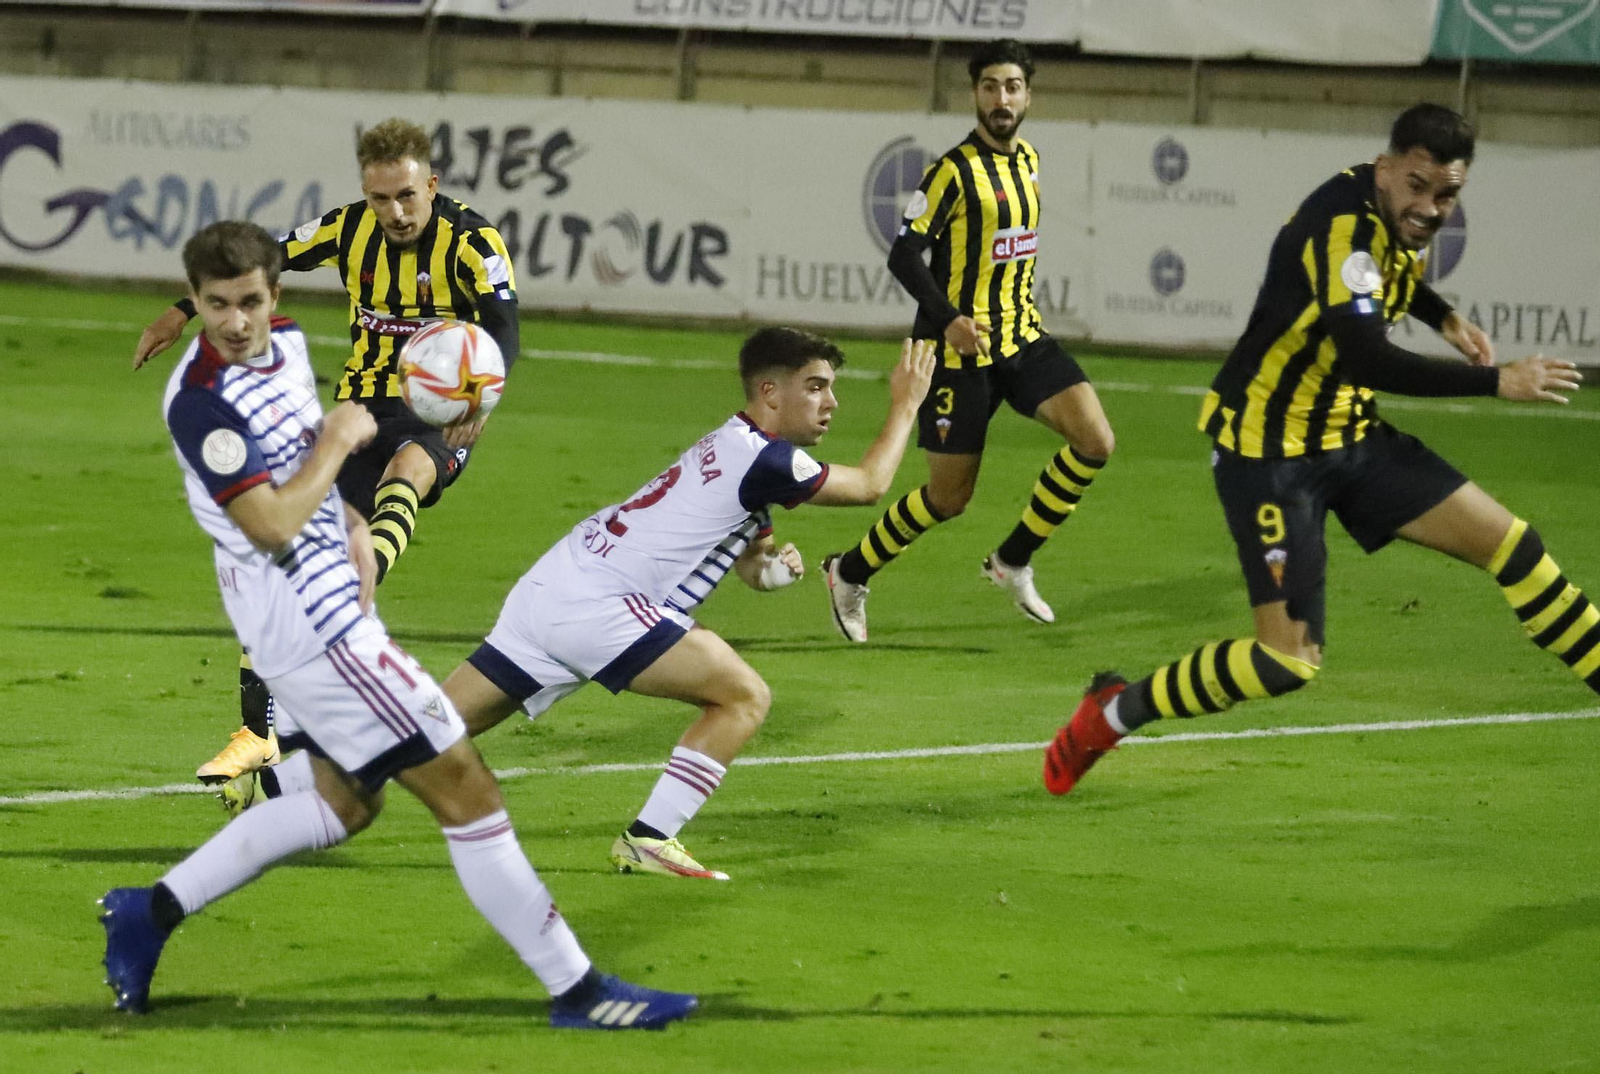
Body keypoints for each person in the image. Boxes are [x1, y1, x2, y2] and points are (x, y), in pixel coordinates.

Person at [100, 220, 695, 1030]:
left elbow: (299, 457)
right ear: (196, 302)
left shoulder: (286, 343)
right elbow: (270, 522)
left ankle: (149, 912)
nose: (234, 322)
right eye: (215, 305)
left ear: (275, 294)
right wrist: (341, 442)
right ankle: (580, 991)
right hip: (315, 631)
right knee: (466, 788)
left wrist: (351, 525)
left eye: (248, 301)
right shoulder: (200, 400)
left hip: (321, 610)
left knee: (343, 804)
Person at [1043, 103, 1593, 796]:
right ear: (1387, 170)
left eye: (1446, 193)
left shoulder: (1383, 209)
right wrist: (1495, 380)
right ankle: (1113, 712)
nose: (1429, 208)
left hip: (1351, 436)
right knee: (1286, 663)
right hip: (1267, 453)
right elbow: (1366, 356)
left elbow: (1383, 279)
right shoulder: (1342, 228)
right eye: (1418, 187)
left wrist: (1440, 313)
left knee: (1516, 550)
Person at [429, 329, 935, 880]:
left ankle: (322, 776)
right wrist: (907, 403)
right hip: (601, 606)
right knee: (743, 697)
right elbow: (869, 485)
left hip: (553, 586)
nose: (831, 403)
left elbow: (752, 566)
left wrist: (777, 572)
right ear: (770, 392)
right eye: (816, 387)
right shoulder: (768, 462)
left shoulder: (730, 445)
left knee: (419, 731)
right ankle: (649, 839)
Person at [133, 118, 521, 797]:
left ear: (430, 184)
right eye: (380, 199)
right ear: (364, 194)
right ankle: (262, 734)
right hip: (357, 408)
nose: (394, 213)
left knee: (410, 473)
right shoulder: (346, 230)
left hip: (436, 411)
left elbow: (505, 332)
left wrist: (480, 403)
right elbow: (258, 259)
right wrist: (178, 309)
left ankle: (355, 582)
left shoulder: (473, 243)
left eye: (406, 196)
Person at [821, 37, 1114, 642]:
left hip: (1022, 337)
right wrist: (950, 317)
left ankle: (1013, 560)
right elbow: (904, 253)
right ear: (975, 95)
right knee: (948, 499)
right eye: (989, 87)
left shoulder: (1029, 159)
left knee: (1095, 441)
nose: (1001, 98)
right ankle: (848, 571)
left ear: (1027, 95)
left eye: (1011, 87)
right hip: (958, 354)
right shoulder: (952, 171)